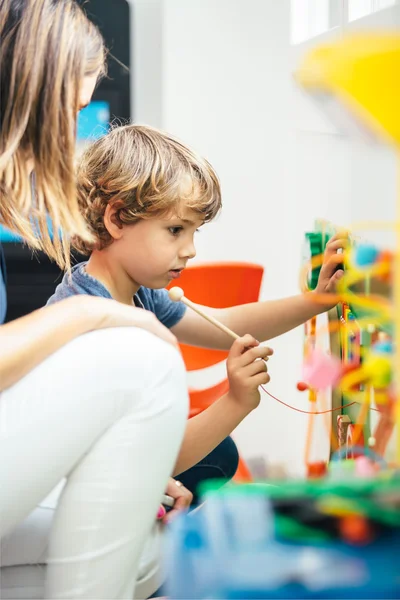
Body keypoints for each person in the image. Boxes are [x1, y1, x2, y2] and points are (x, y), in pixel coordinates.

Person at [0, 2, 212, 598]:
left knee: (147, 554)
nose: (73, 136)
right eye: (68, 113)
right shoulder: (89, 298)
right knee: (144, 359)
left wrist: (123, 471)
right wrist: (93, 312)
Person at [47, 123, 346, 486]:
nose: (190, 250)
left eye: (194, 232)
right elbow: (129, 463)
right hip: (77, 488)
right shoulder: (89, 324)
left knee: (219, 456)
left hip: (115, 466)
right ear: (116, 218)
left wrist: (316, 301)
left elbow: (224, 324)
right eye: (175, 230)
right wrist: (236, 402)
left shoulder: (135, 292)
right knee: (220, 458)